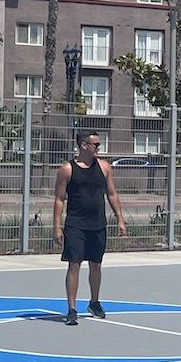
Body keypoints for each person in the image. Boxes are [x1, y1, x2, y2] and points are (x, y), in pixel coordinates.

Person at [52, 130, 126, 325]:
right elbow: (59, 199)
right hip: (75, 225)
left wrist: (120, 218)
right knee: (74, 265)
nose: (98, 148)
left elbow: (112, 194)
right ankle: (72, 309)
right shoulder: (67, 169)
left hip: (98, 224)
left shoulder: (104, 167)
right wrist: (57, 227)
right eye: (96, 145)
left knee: (96, 264)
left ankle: (94, 302)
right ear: (84, 145)